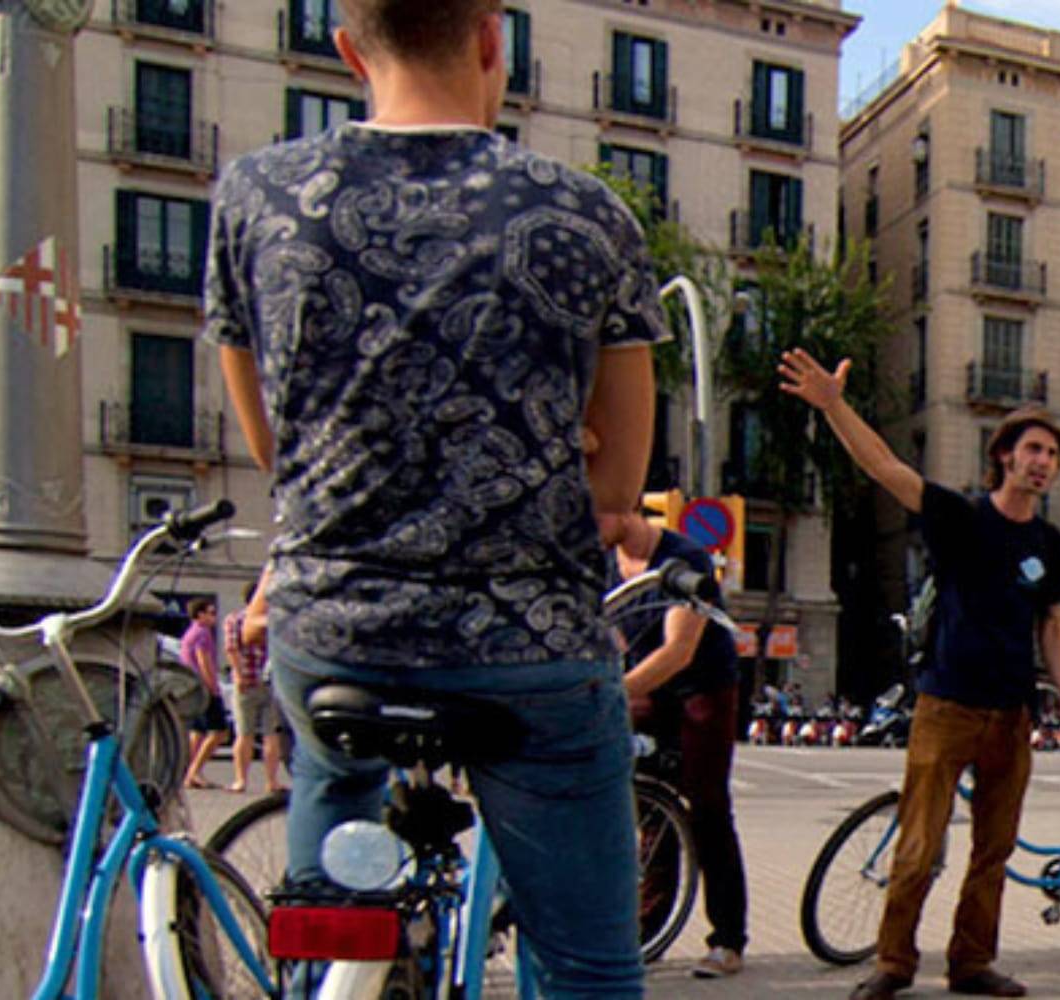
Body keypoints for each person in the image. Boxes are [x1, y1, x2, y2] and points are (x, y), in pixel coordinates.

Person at [205, 0, 664, 992]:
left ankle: (333, 958)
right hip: (532, 643)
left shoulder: (256, 198)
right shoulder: (588, 213)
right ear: (493, 39)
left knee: (331, 887)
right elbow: (618, 484)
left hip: (337, 629)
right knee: (587, 961)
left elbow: (274, 447)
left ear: (348, 50)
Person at [776, 347, 1060, 999]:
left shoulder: (1049, 545)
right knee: (918, 847)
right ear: (1005, 455)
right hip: (946, 706)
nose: (1043, 463)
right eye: (1033, 450)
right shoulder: (961, 516)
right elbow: (885, 467)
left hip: (1012, 713)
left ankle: (971, 963)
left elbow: (1050, 625)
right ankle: (893, 962)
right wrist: (833, 405)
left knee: (993, 852)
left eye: (1052, 455)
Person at [606, 510, 752, 979]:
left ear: (628, 505)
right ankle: (645, 933)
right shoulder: (601, 559)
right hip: (647, 685)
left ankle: (728, 940)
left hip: (702, 687)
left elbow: (679, 650)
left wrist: (613, 693)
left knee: (707, 807)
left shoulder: (681, 558)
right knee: (649, 810)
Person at [223, 577, 287, 793]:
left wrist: (239, 674)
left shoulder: (234, 619)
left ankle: (241, 779)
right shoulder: (272, 622)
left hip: (248, 681)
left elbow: (231, 648)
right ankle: (271, 780)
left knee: (245, 733)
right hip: (269, 682)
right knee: (269, 733)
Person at [175, 598, 233, 791]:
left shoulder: (189, 633)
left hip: (191, 688)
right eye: (210, 612)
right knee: (219, 732)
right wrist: (213, 687)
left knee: (198, 732)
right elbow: (204, 661)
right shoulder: (202, 634)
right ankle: (195, 771)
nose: (213, 617)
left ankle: (187, 773)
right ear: (199, 614)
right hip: (204, 688)